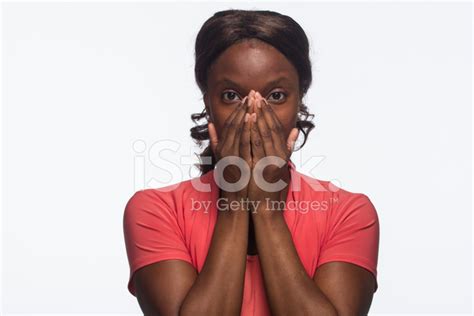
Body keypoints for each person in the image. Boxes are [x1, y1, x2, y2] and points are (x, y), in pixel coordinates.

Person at [123, 9, 379, 315]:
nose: (253, 113)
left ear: (300, 101)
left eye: (277, 96)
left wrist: (267, 212)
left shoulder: (348, 213)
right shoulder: (155, 211)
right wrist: (235, 202)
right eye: (231, 95)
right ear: (208, 102)